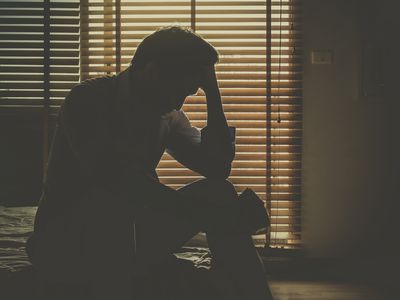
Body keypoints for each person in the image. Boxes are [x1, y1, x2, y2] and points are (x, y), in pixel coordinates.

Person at [26, 26, 273, 300]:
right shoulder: (88, 100)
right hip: (66, 240)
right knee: (111, 205)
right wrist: (203, 214)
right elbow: (112, 179)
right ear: (153, 71)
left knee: (220, 191)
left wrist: (213, 95)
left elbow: (217, 168)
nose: (181, 101)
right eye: (181, 89)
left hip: (130, 232)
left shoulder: (169, 116)